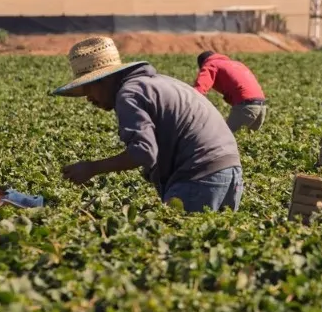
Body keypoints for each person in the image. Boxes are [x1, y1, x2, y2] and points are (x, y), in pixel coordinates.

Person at [50, 36, 244, 213]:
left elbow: (143, 152)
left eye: (88, 88)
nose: (88, 98)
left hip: (199, 178)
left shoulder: (129, 94)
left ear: (104, 79)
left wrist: (92, 168)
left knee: (175, 245)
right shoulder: (160, 83)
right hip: (230, 172)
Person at [193, 51, 267, 133]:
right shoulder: (236, 64)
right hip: (262, 106)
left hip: (246, 106)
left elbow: (200, 88)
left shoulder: (210, 64)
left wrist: (190, 104)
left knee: (225, 138)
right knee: (249, 139)